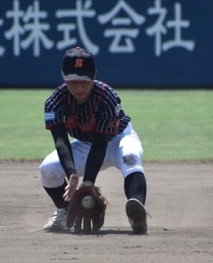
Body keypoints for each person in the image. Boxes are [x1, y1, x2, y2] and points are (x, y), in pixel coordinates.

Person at [39, 46, 149, 234]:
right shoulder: (55, 102)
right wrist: (72, 174)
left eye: (84, 81)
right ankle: (65, 211)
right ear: (63, 76)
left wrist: (89, 181)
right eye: (73, 82)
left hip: (119, 139)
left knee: (130, 156)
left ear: (94, 75)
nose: (79, 87)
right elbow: (61, 141)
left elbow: (100, 143)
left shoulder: (107, 96)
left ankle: (137, 209)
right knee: (47, 169)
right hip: (84, 145)